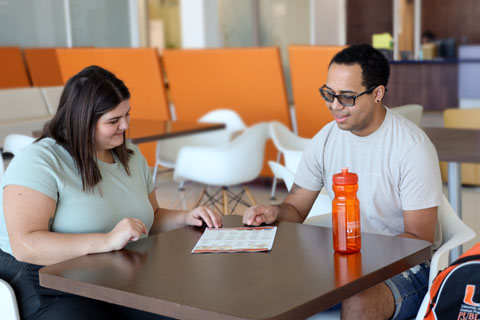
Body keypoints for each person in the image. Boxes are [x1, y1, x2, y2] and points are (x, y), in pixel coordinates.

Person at [0, 65, 222, 320]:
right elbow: (25, 245)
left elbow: (151, 216)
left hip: (109, 274)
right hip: (42, 278)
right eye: (113, 121)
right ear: (81, 120)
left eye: (127, 114)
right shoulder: (39, 161)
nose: (125, 125)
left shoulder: (130, 156)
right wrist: (107, 240)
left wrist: (186, 217)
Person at [243, 44, 442, 320]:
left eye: (346, 97)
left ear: (377, 94)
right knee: (263, 285)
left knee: (359, 301)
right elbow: (297, 209)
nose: (334, 106)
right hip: (345, 261)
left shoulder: (411, 147)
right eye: (329, 94)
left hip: (406, 268)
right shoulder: (325, 139)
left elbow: (419, 241)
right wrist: (276, 211)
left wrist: (357, 259)